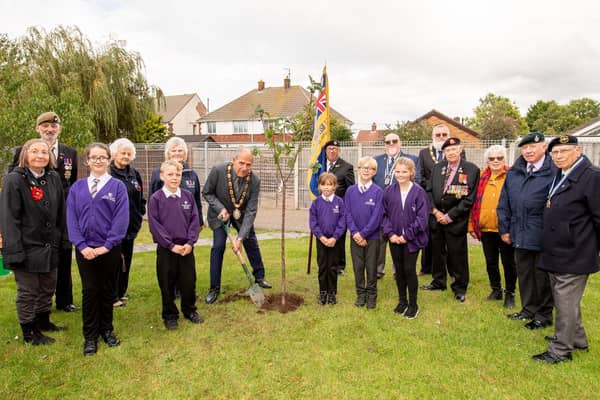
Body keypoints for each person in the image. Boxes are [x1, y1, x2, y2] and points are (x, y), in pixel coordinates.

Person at [532, 135, 599, 364]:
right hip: (556, 250)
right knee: (566, 300)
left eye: (564, 151)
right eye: (555, 153)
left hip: (575, 251)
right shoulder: (561, 174)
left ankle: (560, 350)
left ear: (578, 150)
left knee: (565, 301)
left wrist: (590, 248)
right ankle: (577, 339)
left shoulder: (591, 177)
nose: (559, 157)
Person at [9, 112, 80, 312]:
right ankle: (35, 306)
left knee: (63, 257)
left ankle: (65, 300)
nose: (50, 130)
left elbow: (71, 183)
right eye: (45, 126)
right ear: (38, 129)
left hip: (60, 213)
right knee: (35, 263)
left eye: (53, 126)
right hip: (33, 216)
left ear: (59, 129)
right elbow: (14, 185)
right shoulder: (23, 151)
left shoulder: (70, 153)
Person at [1, 139, 68, 345]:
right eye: (35, 151)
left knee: (48, 286)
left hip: (50, 245)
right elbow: (8, 217)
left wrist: (63, 240)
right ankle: (29, 332)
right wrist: (14, 249)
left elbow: (61, 212)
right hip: (26, 246)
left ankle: (43, 321)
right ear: (25, 155)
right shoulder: (15, 180)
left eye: (45, 152)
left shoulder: (54, 177)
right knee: (29, 291)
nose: (40, 156)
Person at [66, 143, 129, 356]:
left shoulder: (117, 187)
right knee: (90, 291)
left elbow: (121, 220)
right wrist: (82, 246)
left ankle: (107, 330)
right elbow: (71, 220)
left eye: (103, 157)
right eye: (94, 157)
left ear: (109, 160)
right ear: (87, 161)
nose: (99, 161)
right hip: (85, 251)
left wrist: (106, 246)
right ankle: (90, 336)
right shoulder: (77, 188)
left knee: (108, 290)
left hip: (108, 249)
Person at [498, 132, 556, 330]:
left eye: (533, 147)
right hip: (518, 232)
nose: (529, 151)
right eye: (525, 148)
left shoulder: (553, 171)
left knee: (542, 276)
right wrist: (504, 229)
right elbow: (504, 202)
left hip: (541, 233)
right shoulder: (515, 171)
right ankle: (528, 309)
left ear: (544, 148)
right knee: (524, 272)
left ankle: (543, 315)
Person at [202, 147, 272, 304]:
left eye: (248, 164)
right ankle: (214, 288)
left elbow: (251, 210)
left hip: (241, 216)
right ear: (234, 160)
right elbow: (207, 192)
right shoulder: (218, 170)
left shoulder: (254, 181)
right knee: (218, 247)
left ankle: (259, 277)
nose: (244, 168)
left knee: (250, 241)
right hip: (220, 215)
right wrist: (220, 208)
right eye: (241, 163)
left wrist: (240, 237)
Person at [422, 137, 479, 302]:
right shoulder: (438, 168)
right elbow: (429, 191)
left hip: (456, 220)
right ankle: (438, 281)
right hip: (436, 218)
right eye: (447, 150)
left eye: (454, 149)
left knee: (457, 254)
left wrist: (449, 216)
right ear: (444, 152)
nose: (451, 153)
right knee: (437, 253)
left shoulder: (471, 169)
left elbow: (469, 198)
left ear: (460, 150)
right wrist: (435, 211)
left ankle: (460, 287)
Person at [148, 160, 203, 330]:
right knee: (167, 283)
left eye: (177, 174)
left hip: (186, 248)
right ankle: (170, 315)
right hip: (167, 249)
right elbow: (155, 225)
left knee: (188, 282)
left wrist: (190, 242)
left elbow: (195, 220)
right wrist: (170, 245)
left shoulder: (187, 196)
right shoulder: (156, 199)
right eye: (170, 174)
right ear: (162, 176)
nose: (174, 178)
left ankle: (189, 310)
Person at [468, 145, 516, 308]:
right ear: (487, 160)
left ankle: (510, 293)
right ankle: (496, 289)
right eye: (492, 158)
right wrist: (471, 225)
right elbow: (472, 202)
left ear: (504, 159)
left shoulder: (512, 176)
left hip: (505, 229)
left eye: (499, 158)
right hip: (486, 228)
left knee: (508, 262)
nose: (495, 161)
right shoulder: (481, 178)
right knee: (491, 261)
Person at [383, 157, 429, 319]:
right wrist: (391, 234)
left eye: (404, 171)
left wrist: (406, 235)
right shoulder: (389, 191)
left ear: (411, 173)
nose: (400, 175)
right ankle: (402, 301)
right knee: (399, 270)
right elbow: (385, 215)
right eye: (398, 171)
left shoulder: (418, 192)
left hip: (412, 240)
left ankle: (413, 304)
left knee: (409, 270)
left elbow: (422, 218)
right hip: (394, 239)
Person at [373, 133, 419, 279]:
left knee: (399, 238)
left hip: (403, 207)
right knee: (380, 240)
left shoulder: (413, 159)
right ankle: (378, 270)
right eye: (388, 142)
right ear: (384, 144)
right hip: (382, 207)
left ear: (400, 143)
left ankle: (398, 270)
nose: (391, 144)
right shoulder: (377, 160)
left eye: (394, 141)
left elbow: (417, 181)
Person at [109, 138, 146, 308]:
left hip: (132, 226)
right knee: (115, 261)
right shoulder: (109, 173)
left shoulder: (134, 174)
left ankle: (121, 292)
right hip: (115, 227)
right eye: (122, 153)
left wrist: (140, 214)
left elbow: (140, 198)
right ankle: (112, 295)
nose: (125, 156)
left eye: (128, 153)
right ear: (115, 154)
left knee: (127, 261)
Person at [345, 156, 383, 309]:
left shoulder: (378, 191)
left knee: (372, 266)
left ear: (375, 172)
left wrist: (364, 234)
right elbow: (347, 213)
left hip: (372, 237)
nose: (367, 170)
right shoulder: (350, 191)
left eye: (371, 168)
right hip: (355, 236)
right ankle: (361, 294)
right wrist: (355, 233)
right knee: (358, 266)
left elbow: (377, 216)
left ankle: (372, 294)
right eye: (364, 167)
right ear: (358, 169)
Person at [417, 124, 451, 277]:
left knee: (449, 239)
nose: (441, 137)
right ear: (433, 136)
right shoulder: (424, 153)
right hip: (429, 199)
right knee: (429, 236)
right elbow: (420, 176)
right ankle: (426, 267)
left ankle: (450, 269)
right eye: (438, 135)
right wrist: (432, 187)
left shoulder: (457, 152)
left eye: (444, 134)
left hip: (450, 201)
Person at [309, 173, 346, 305]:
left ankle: (332, 293)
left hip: (335, 241)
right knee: (323, 266)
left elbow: (342, 222)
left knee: (333, 267)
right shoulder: (316, 203)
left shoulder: (339, 202)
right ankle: (323, 292)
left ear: (334, 186)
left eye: (330, 185)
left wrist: (335, 237)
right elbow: (313, 223)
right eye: (324, 184)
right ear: (319, 186)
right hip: (322, 240)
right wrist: (321, 237)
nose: (326, 187)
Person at [150, 136, 203, 226]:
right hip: (165, 224)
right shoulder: (158, 173)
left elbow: (197, 201)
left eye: (180, 150)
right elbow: (152, 202)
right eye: (173, 151)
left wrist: (200, 221)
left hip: (188, 224)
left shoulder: (192, 174)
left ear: (185, 153)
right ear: (168, 154)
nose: (177, 153)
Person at [323, 140, 355, 275]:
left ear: (339, 151)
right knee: (325, 234)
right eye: (330, 148)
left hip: (339, 209)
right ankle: (326, 262)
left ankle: (340, 265)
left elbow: (350, 189)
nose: (332, 151)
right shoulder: (321, 166)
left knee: (339, 237)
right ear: (326, 151)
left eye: (335, 149)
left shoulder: (346, 167)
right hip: (323, 209)